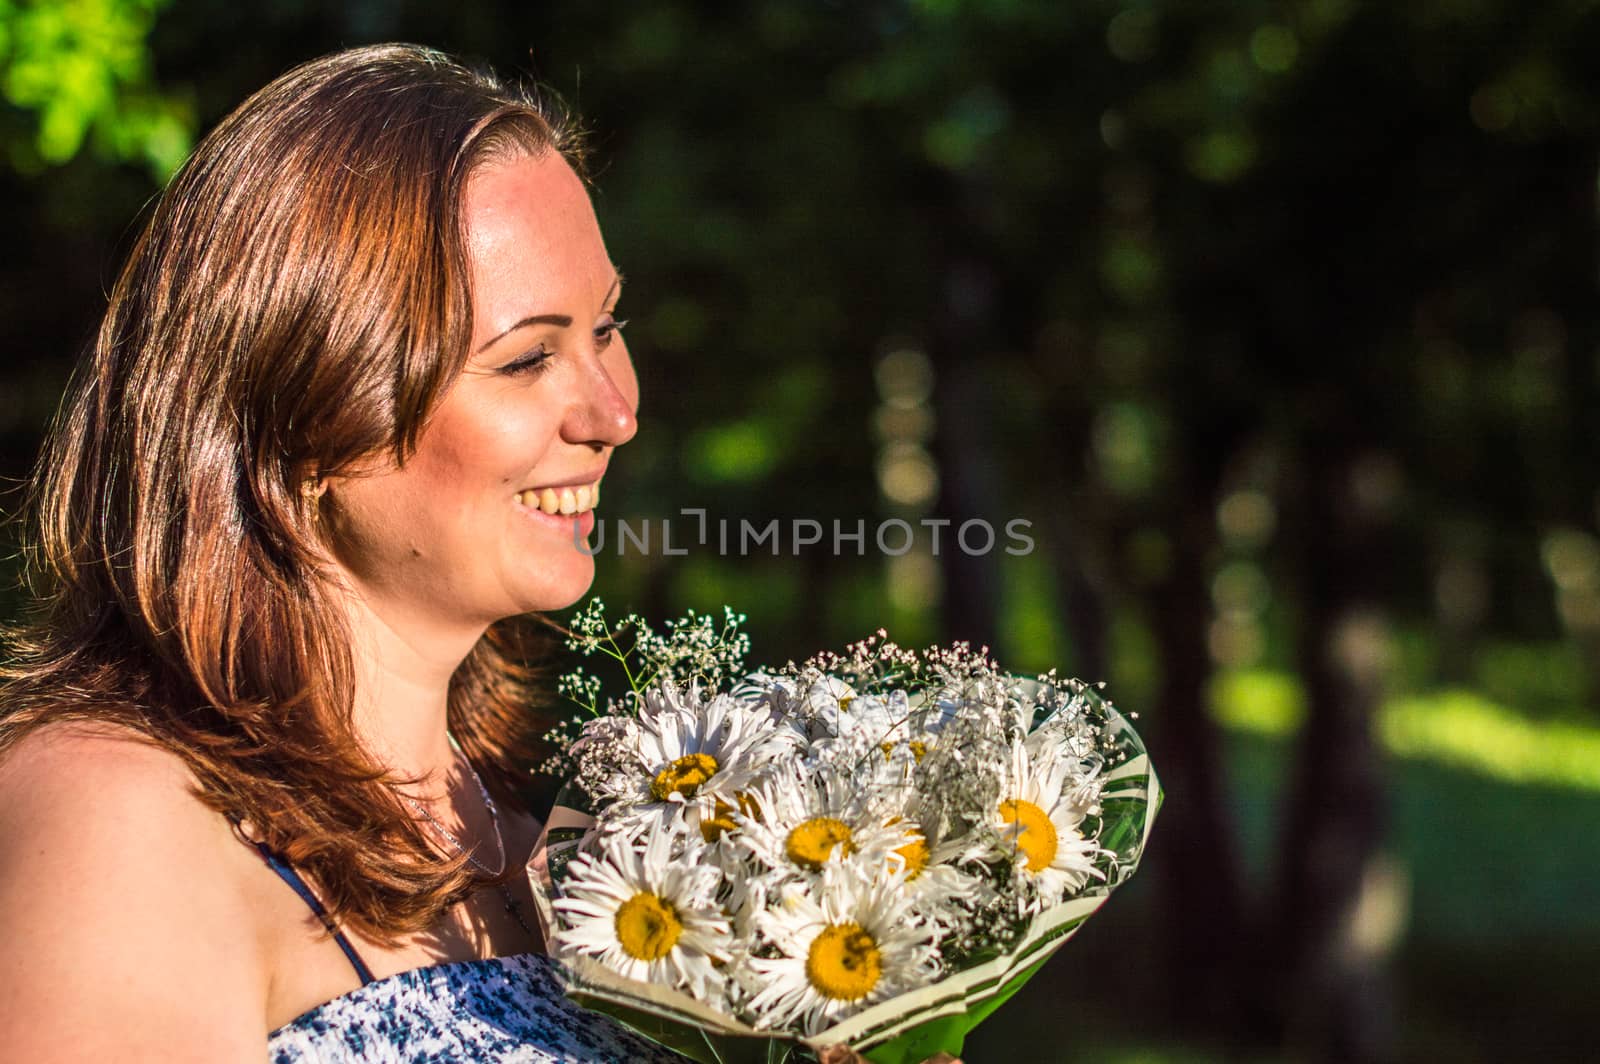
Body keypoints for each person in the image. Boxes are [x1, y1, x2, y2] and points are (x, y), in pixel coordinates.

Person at [0, 43, 959, 1064]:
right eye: (529, 355)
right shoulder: (120, 820)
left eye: (606, 325)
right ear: (308, 412)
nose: (614, 411)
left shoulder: (558, 843)